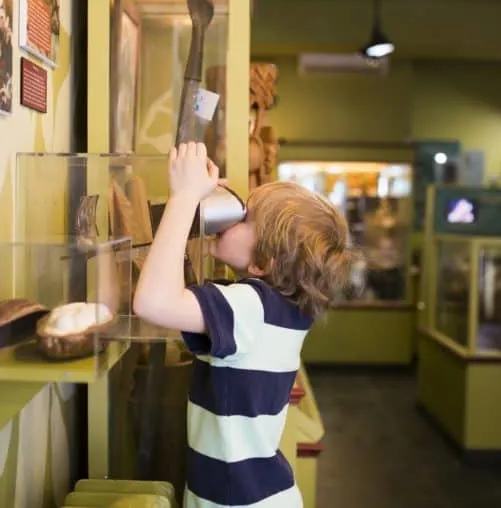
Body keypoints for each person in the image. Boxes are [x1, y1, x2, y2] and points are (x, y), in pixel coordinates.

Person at [133, 142, 354, 507]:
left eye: (245, 218)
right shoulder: (280, 308)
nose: (231, 218)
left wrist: (185, 197)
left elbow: (153, 303)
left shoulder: (252, 308)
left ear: (263, 262)